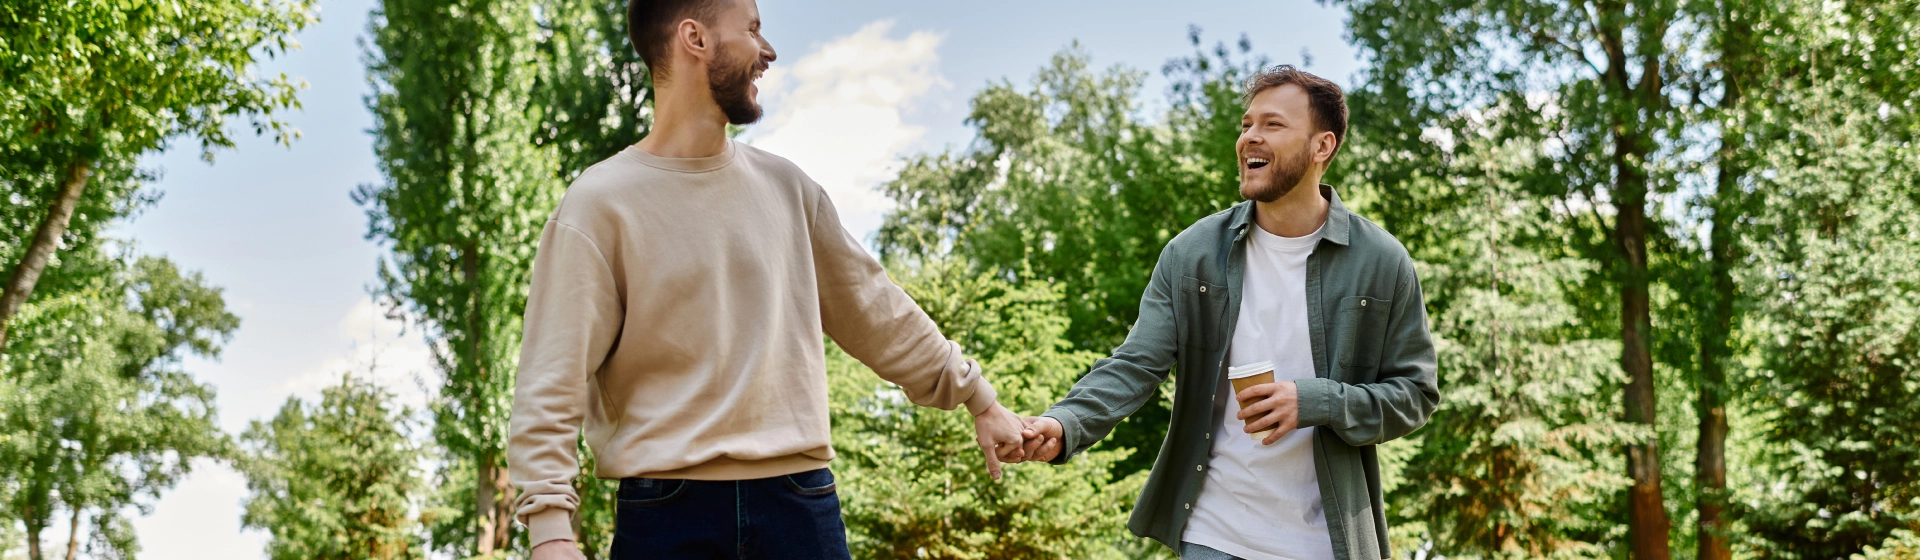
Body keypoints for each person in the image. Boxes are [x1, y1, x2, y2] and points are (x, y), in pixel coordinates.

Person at [507, 1, 1029, 558]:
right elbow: (552, 377)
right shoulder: (599, 203)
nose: (769, 51)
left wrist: (979, 396)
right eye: (753, 29)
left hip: (801, 508)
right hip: (665, 516)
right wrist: (550, 530)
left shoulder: (789, 190)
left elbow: (875, 309)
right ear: (695, 39)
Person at [1016, 65, 1440, 560]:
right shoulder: (1192, 252)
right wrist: (1066, 422)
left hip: (1328, 543)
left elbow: (1415, 394)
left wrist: (1316, 401)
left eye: (1272, 125)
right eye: (1246, 125)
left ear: (1322, 146)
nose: (1249, 138)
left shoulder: (1381, 261)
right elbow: (1136, 363)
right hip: (1214, 535)